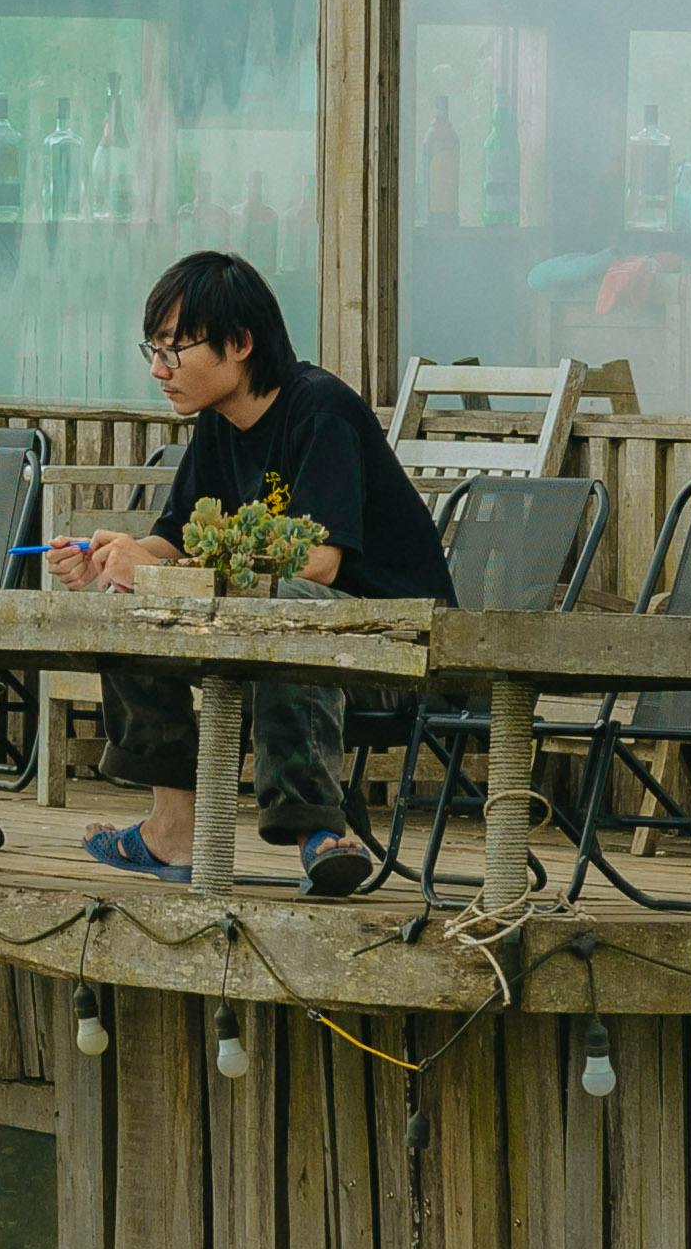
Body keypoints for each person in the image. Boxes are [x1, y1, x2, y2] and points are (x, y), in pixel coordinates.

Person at [50, 250, 449, 898]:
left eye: (174, 351)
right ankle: (173, 829)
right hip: (290, 637)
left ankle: (317, 830)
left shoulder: (322, 411)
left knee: (289, 602)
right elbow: (174, 540)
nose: (158, 369)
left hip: (392, 648)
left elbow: (321, 563)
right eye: (151, 350)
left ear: (239, 343)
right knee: (128, 596)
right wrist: (117, 557)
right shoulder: (217, 426)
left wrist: (164, 565)